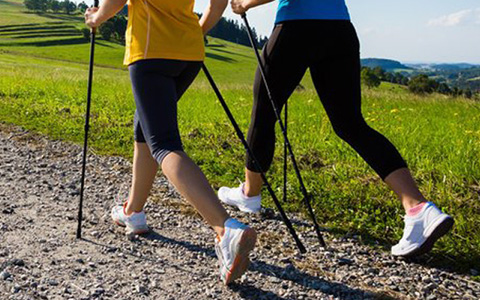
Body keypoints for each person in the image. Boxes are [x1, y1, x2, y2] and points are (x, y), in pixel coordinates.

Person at [219, 0, 454, 258]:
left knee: (263, 113)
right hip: (340, 29)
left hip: (296, 27)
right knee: (351, 124)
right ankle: (418, 207)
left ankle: (250, 195)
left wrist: (246, 3)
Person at [84, 0, 256, 284]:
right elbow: (219, 2)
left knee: (163, 144)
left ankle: (226, 229)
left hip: (151, 51)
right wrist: (198, 31)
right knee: (146, 131)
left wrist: (96, 18)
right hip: (189, 54)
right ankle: (133, 212)